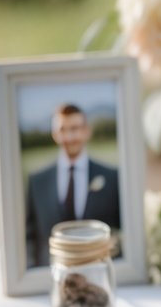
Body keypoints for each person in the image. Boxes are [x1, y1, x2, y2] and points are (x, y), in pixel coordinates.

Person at [25, 103, 121, 268]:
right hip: (50, 274)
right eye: (63, 130)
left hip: (98, 272)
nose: (69, 137)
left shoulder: (112, 176)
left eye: (75, 128)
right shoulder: (37, 181)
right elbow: (29, 237)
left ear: (86, 131)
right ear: (55, 134)